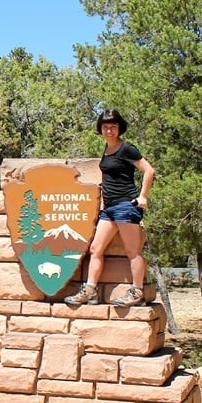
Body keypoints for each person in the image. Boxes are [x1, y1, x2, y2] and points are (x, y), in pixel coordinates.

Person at [65, 109, 156, 308]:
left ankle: (137, 291)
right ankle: (90, 290)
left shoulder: (126, 149)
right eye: (105, 127)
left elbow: (149, 170)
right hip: (109, 209)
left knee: (133, 251)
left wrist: (143, 196)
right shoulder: (107, 150)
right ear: (100, 129)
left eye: (113, 126)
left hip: (126, 205)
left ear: (119, 128)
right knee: (95, 249)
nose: (109, 130)